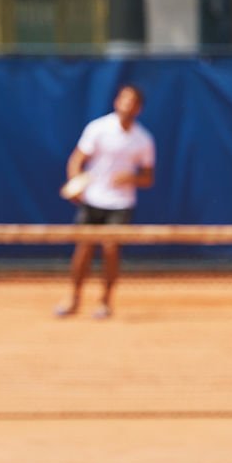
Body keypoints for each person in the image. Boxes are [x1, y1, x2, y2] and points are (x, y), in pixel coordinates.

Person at [56, 85, 155, 319]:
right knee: (84, 249)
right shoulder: (98, 128)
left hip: (121, 204)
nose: (126, 104)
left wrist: (131, 177)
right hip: (92, 199)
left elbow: (148, 178)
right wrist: (74, 183)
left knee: (111, 249)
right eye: (123, 99)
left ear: (138, 108)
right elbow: (77, 159)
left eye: (131, 101)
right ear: (116, 102)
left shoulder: (143, 139)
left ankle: (105, 301)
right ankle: (74, 297)